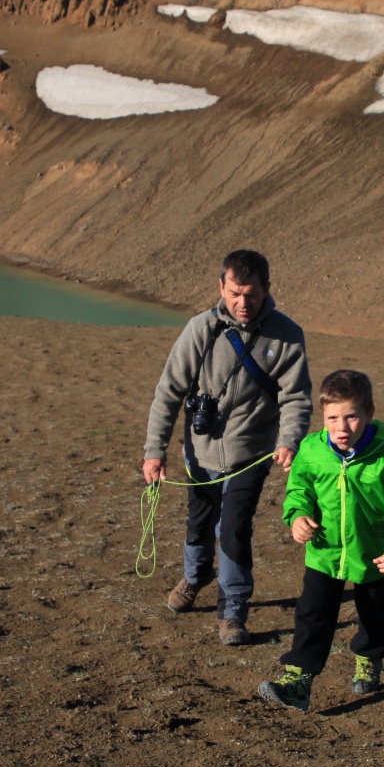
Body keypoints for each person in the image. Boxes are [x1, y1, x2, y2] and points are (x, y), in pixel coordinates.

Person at [142, 249, 312, 646]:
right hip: (199, 452)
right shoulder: (201, 329)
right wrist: (155, 450)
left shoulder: (287, 335)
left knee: (234, 529)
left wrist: (289, 439)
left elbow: (297, 397)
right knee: (199, 523)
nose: (242, 302)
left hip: (250, 455)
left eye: (251, 293)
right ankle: (196, 575)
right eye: (235, 292)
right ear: (221, 287)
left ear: (267, 289)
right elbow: (168, 391)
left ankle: (232, 609)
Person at [258, 369, 384, 711]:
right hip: (324, 551)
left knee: (375, 612)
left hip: (374, 553)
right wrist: (297, 516)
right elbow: (299, 489)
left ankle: (369, 656)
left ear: (369, 414)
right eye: (332, 418)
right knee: (312, 613)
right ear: (322, 416)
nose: (341, 427)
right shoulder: (311, 449)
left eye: (351, 417)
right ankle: (298, 680)